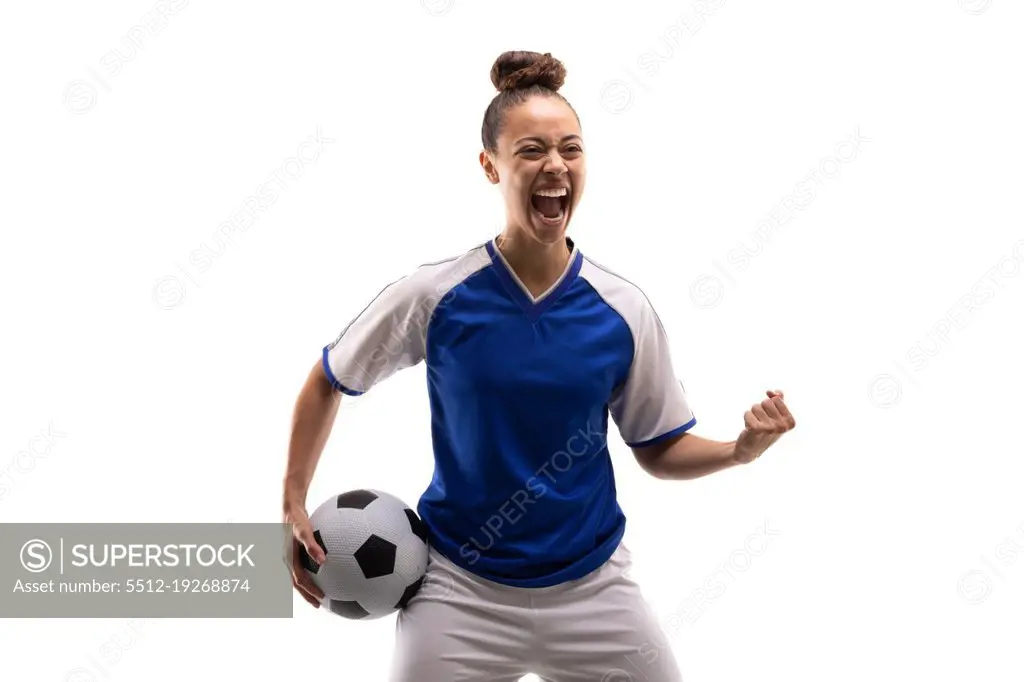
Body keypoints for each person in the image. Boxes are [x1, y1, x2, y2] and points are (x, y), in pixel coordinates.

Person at [283, 50, 796, 682]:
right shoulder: (435, 296)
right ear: (490, 166)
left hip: (593, 591)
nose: (555, 164)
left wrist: (738, 451)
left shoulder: (623, 311)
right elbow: (328, 381)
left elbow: (659, 448)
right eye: (531, 150)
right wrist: (292, 501)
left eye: (571, 149)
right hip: (457, 592)